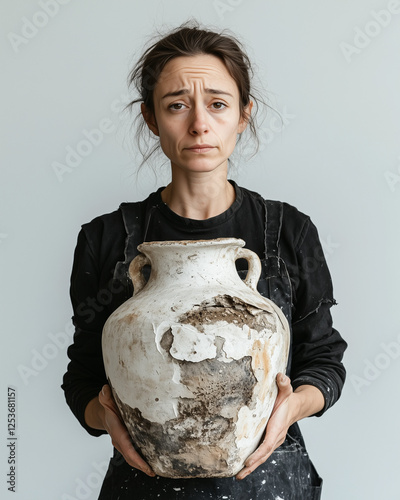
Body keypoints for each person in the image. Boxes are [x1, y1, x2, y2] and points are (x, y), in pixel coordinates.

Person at [62, 20, 347, 500]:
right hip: (144, 485)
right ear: (152, 119)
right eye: (176, 105)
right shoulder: (107, 238)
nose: (199, 124)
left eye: (218, 104)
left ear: (243, 114)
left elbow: (324, 361)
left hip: (269, 481)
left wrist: (291, 409)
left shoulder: (289, 231)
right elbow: (83, 378)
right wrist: (106, 417)